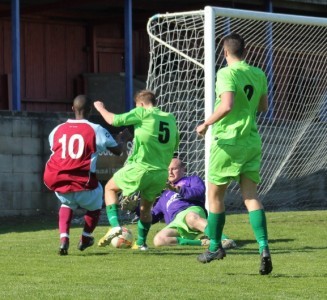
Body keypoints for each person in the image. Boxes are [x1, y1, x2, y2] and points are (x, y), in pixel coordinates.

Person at [196, 32, 273, 275]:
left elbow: (227, 105)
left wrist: (206, 123)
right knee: (250, 196)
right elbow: (262, 106)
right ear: (245, 51)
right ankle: (263, 246)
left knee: (215, 196)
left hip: (228, 143)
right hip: (251, 141)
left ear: (226, 52)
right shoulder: (258, 73)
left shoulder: (226, 72)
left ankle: (216, 247)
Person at [93, 89, 179, 250]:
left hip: (141, 168)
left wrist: (100, 108)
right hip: (160, 173)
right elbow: (174, 145)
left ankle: (115, 226)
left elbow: (113, 120)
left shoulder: (142, 112)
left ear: (140, 104)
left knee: (110, 188)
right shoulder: (170, 118)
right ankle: (141, 243)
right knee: (146, 208)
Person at [43, 95, 124, 256]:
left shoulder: (57, 129)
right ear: (90, 110)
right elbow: (117, 150)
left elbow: (56, 150)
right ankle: (86, 237)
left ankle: (64, 239)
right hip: (83, 182)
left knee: (67, 205)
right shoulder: (96, 129)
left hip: (59, 181)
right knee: (95, 205)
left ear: (73, 109)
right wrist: (123, 138)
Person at [145, 158, 236, 249]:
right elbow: (152, 217)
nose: (170, 172)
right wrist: (135, 209)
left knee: (190, 217)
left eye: (174, 169)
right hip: (176, 222)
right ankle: (203, 242)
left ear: (183, 170)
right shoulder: (164, 195)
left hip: (192, 210)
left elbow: (199, 192)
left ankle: (225, 240)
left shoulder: (192, 179)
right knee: (158, 240)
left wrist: (179, 189)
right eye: (168, 170)